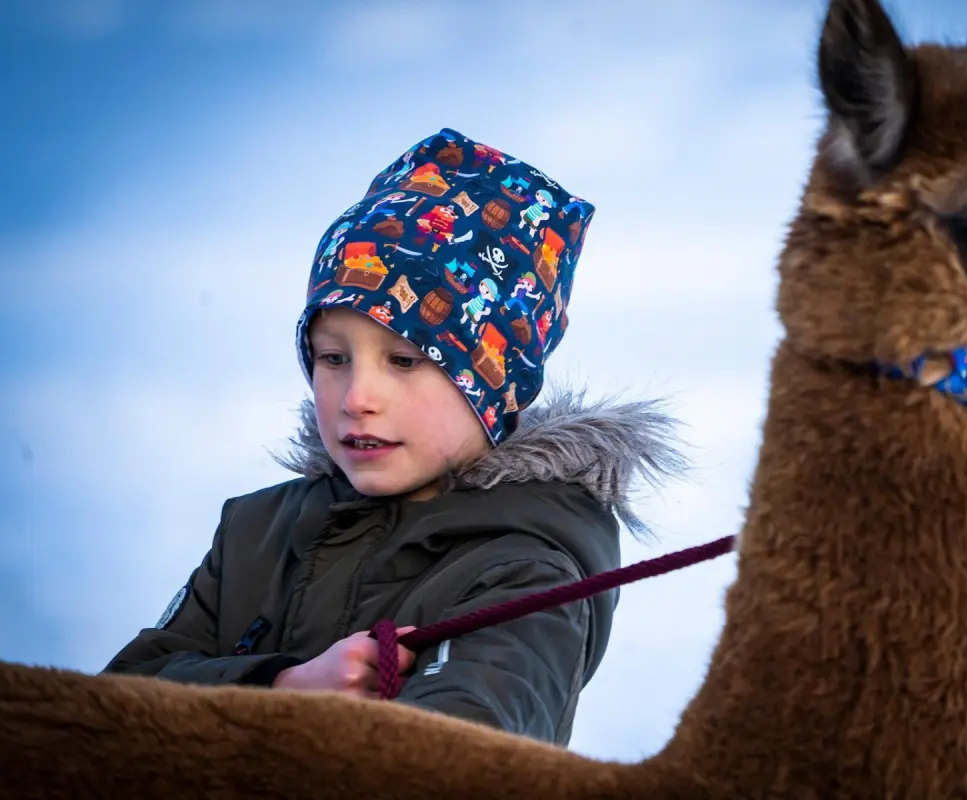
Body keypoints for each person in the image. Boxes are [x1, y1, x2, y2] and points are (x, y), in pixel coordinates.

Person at [101, 128, 687, 746]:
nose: (357, 398)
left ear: (492, 380)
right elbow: (103, 710)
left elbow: (452, 756)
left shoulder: (528, 573)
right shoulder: (255, 532)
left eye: (405, 361)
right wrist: (279, 690)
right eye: (333, 358)